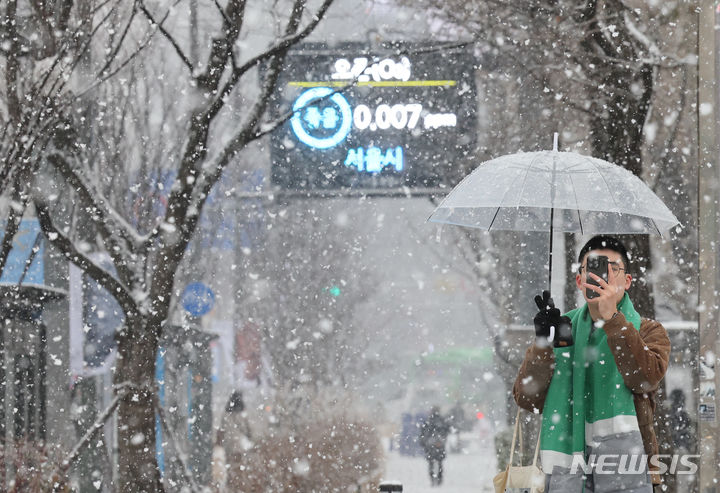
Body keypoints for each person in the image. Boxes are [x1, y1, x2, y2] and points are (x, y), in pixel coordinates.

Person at [513, 235, 671, 492]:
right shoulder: (563, 330)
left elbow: (645, 379)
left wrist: (613, 320)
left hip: (627, 470)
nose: (602, 276)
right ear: (579, 280)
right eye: (593, 268)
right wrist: (543, 344)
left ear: (627, 281)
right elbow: (527, 399)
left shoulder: (647, 331)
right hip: (568, 476)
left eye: (613, 269)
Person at [418, 406, 450, 486]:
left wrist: (423, 442)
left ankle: (432, 479)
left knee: (431, 463)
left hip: (430, 445)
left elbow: (423, 432)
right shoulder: (442, 420)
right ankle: (439, 478)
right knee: (439, 463)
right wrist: (443, 439)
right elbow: (446, 430)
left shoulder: (429, 421)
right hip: (440, 444)